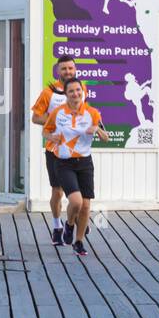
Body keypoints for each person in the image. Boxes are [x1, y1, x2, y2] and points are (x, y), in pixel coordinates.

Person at [43, 77, 110, 257]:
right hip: (64, 163)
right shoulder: (58, 113)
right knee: (76, 202)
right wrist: (52, 138)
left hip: (85, 163)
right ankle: (69, 225)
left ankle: (78, 241)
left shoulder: (92, 113)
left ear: (83, 92)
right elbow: (45, 131)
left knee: (86, 206)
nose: (75, 94)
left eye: (78, 90)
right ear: (66, 94)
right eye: (71, 91)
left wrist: (96, 129)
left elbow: (106, 138)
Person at [32, 54, 87, 246]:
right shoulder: (49, 92)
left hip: (78, 150)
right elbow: (35, 118)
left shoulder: (81, 88)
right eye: (64, 69)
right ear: (58, 71)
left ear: (75, 69)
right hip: (55, 149)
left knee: (79, 191)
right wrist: (55, 120)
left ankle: (75, 219)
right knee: (58, 191)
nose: (68, 72)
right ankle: (57, 226)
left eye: (71, 68)